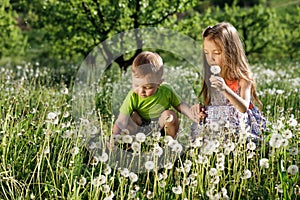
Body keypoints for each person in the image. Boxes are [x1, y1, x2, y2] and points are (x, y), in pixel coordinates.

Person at [191, 22, 266, 139]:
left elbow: (243, 108)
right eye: (206, 53)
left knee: (230, 116)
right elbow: (211, 105)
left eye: (217, 53)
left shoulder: (243, 78)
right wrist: (201, 110)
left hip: (240, 124)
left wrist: (225, 89)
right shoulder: (211, 76)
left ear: (231, 52)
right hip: (218, 122)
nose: (210, 58)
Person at [113, 51, 197, 139]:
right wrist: (114, 137)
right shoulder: (132, 96)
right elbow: (121, 121)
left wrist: (195, 117)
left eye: (147, 87)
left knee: (170, 115)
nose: (141, 91)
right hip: (140, 127)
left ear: (159, 83)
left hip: (161, 126)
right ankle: (130, 143)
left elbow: (180, 105)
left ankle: (169, 143)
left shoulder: (166, 91)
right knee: (131, 117)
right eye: (136, 85)